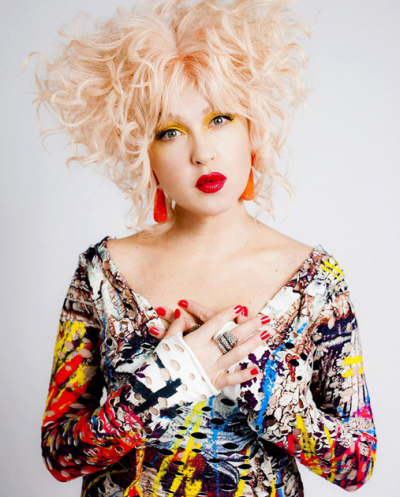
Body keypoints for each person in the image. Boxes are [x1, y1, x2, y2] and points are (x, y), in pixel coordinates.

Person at [25, 0, 377, 495]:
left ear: (252, 128)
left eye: (220, 118)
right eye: (170, 132)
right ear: (144, 152)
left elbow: (357, 465)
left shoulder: (314, 281)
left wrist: (266, 392)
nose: (202, 152)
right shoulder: (103, 274)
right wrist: (164, 383)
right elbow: (60, 455)